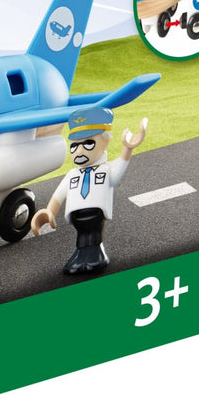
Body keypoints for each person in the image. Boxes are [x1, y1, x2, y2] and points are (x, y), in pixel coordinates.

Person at [31, 107, 148, 274]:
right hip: (77, 216)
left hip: (95, 213)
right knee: (82, 237)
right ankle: (82, 256)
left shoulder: (105, 170)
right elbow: (58, 196)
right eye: (74, 146)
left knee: (92, 235)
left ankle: (96, 255)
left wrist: (127, 149)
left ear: (106, 140)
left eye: (88, 144)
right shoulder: (72, 174)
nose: (79, 151)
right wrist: (49, 211)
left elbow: (117, 172)